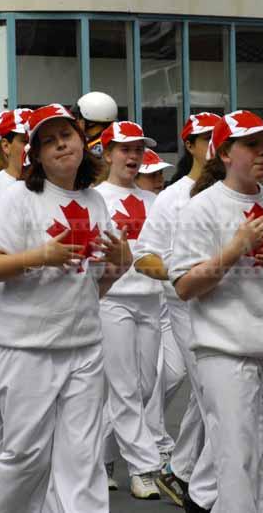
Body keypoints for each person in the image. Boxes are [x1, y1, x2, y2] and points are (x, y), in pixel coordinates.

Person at [0, 104, 131, 512]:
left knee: (83, 460)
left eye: (68, 135)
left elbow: (93, 287)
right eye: (48, 140)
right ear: (36, 156)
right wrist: (42, 255)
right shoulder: (18, 200)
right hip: (24, 348)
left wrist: (120, 266)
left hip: (84, 346)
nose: (61, 144)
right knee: (24, 457)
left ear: (83, 141)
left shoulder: (95, 201)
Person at [170, 110, 263, 513]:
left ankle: (200, 498)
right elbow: (184, 286)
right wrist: (235, 248)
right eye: (252, 145)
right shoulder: (202, 208)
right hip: (222, 350)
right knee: (238, 461)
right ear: (226, 153)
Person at [133, 111, 221, 511]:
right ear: (189, 144)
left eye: (221, 137)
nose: (214, 145)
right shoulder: (171, 197)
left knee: (215, 394)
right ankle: (203, 487)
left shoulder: (234, 188)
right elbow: (143, 256)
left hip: (231, 304)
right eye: (206, 138)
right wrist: (187, 275)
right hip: (185, 305)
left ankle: (183, 468)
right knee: (213, 394)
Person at [95, 121, 164, 500]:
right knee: (123, 386)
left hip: (150, 299)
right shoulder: (95, 198)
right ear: (107, 154)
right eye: (124, 149)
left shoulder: (157, 201)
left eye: (138, 149)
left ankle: (102, 457)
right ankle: (144, 468)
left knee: (144, 386)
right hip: (113, 299)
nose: (133, 156)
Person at [0, 109, 32, 194]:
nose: (31, 146)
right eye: (26, 141)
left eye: (36, 140)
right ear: (5, 146)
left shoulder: (55, 183)